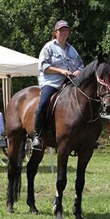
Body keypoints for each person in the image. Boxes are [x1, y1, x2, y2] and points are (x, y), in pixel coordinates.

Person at [32, 20, 84, 150]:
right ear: (56, 32)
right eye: (61, 30)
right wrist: (61, 71)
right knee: (44, 102)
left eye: (66, 30)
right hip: (52, 82)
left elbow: (81, 65)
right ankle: (37, 135)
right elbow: (43, 66)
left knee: (84, 100)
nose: (64, 32)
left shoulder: (72, 50)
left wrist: (78, 71)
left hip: (70, 82)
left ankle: (84, 135)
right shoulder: (49, 47)